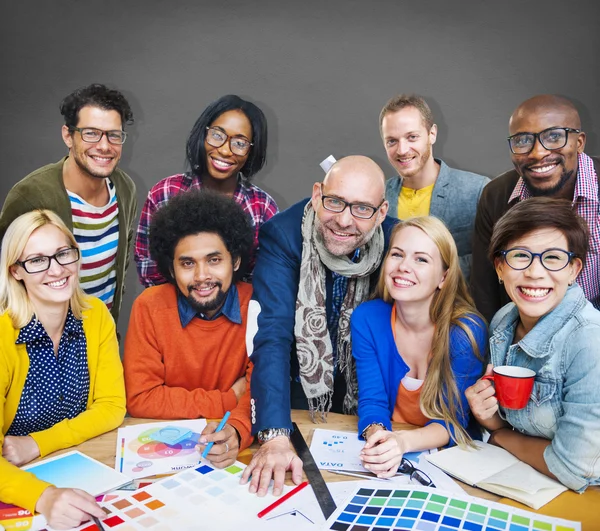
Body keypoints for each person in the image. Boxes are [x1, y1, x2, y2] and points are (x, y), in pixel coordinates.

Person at [240, 155, 396, 496]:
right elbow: (272, 335)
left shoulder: (397, 243)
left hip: (373, 394)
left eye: (361, 209)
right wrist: (274, 434)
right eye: (335, 202)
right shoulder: (282, 235)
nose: (343, 220)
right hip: (298, 393)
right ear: (316, 194)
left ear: (381, 213)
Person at [0, 210, 126, 529]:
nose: (56, 269)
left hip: (83, 467)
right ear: (16, 271)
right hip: (18, 485)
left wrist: (38, 443)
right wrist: (43, 497)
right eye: (37, 260)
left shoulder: (95, 315)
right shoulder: (3, 336)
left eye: (62, 254)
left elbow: (112, 407)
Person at [466, 198, 600, 491]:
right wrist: (486, 414)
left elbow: (573, 467)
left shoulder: (590, 341)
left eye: (552, 257)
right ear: (500, 268)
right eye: (520, 256)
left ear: (574, 269)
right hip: (524, 480)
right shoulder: (503, 321)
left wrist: (500, 435)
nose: (535, 272)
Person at [124, 190, 255, 468]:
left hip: (233, 451)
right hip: (165, 451)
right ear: (171, 270)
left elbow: (259, 395)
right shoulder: (149, 307)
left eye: (214, 260)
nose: (201, 276)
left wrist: (237, 429)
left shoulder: (257, 306)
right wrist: (230, 397)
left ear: (236, 262)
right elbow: (140, 398)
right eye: (187, 263)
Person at [351, 217, 486, 478]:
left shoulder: (466, 331)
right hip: (397, 457)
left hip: (454, 463)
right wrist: (379, 439)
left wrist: (402, 443)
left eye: (421, 259)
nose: (403, 267)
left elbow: (453, 420)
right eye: (397, 254)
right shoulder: (367, 318)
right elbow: (372, 400)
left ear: (444, 277)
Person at [0, 84, 137, 325]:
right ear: (68, 135)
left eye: (113, 135)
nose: (104, 145)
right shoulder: (30, 196)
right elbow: (5, 274)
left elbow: (119, 268)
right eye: (91, 133)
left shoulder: (125, 189)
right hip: (41, 343)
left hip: (100, 335)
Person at [471, 94, 600, 322]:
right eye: (522, 140)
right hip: (525, 337)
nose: (538, 153)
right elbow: (485, 294)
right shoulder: (495, 196)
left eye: (554, 137)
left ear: (579, 142)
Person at [135, 94, 278, 286]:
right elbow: (148, 267)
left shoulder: (262, 207)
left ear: (252, 151)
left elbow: (266, 279)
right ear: (203, 134)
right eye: (217, 135)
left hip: (237, 313)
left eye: (240, 143)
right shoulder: (165, 193)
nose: (225, 150)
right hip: (172, 311)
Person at [380, 94, 489, 280]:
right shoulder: (379, 197)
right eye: (392, 141)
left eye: (412, 137)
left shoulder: (478, 190)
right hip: (394, 307)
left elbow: (492, 258)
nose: (402, 150)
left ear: (432, 134)